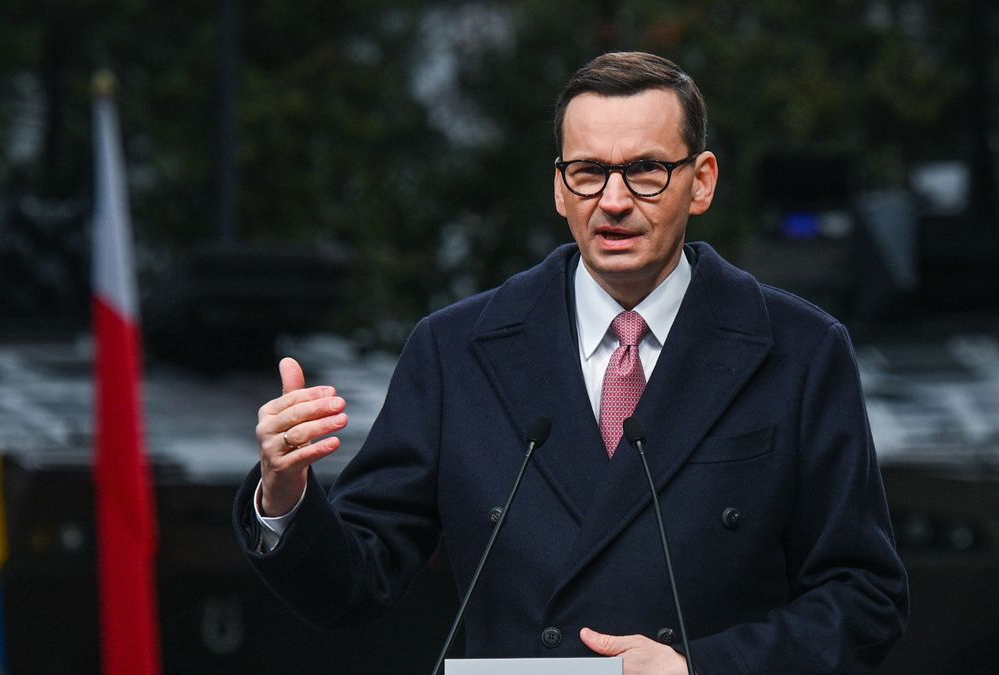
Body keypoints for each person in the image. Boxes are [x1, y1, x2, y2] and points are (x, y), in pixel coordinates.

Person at [233, 51, 908, 674]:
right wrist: (284, 496)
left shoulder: (800, 350)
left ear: (701, 182)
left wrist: (699, 667)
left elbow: (864, 599)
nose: (613, 201)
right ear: (559, 188)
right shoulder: (456, 350)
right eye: (588, 173)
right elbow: (355, 584)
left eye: (645, 171)